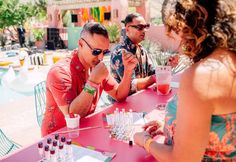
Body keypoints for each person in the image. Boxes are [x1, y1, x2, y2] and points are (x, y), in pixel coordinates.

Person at [134, 0, 236, 161]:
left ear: (188, 28)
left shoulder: (202, 76)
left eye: (175, 30)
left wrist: (145, 141)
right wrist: (172, 127)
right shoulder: (229, 62)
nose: (178, 40)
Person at [41, 22, 138, 136]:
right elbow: (73, 116)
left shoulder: (96, 66)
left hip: (85, 130)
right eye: (96, 51)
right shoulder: (60, 72)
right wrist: (93, 82)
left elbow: (119, 95)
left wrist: (127, 71)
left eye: (104, 52)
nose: (101, 57)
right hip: (58, 139)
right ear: (81, 44)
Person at [110, 13, 178, 97]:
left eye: (146, 26)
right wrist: (156, 77)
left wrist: (167, 66)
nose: (144, 30)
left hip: (140, 98)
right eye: (140, 27)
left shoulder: (141, 49)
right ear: (127, 29)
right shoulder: (121, 53)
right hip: (122, 106)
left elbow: (151, 73)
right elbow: (132, 85)